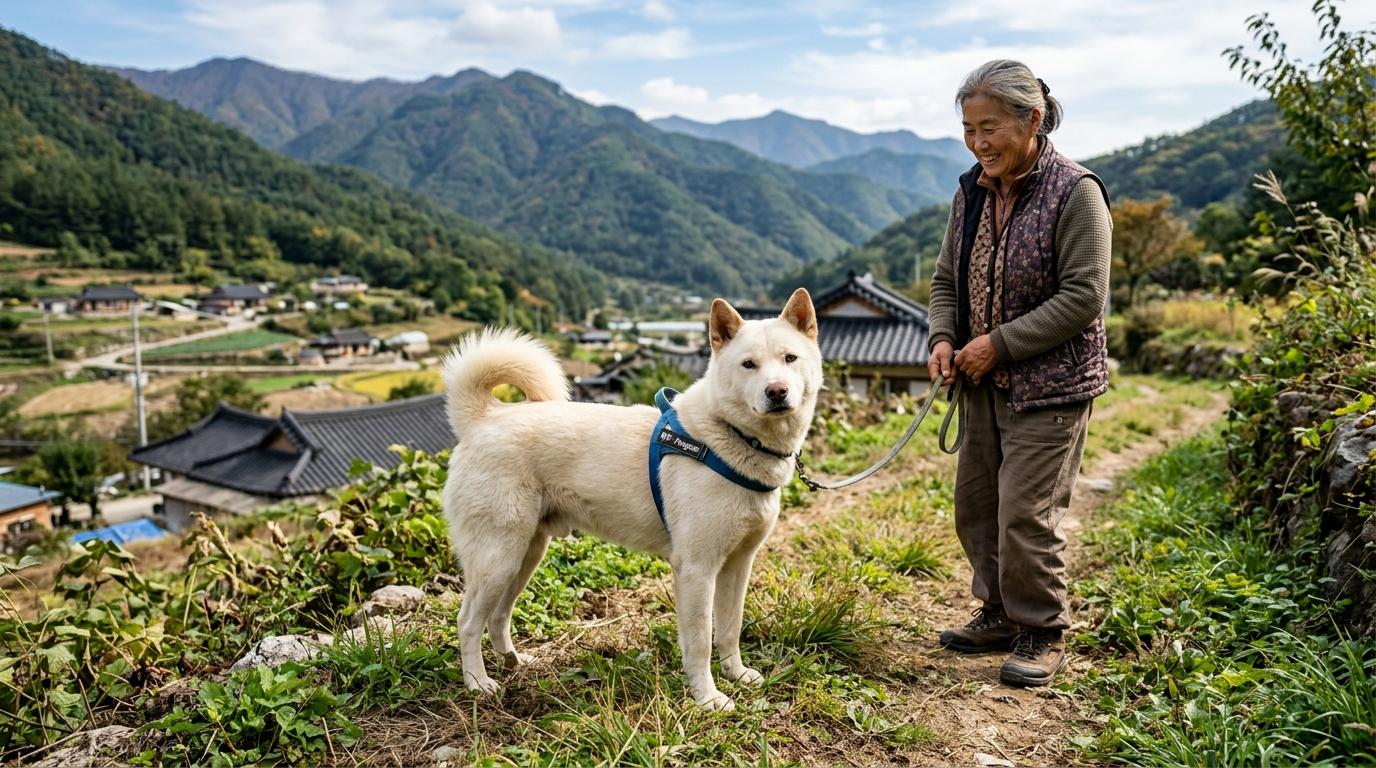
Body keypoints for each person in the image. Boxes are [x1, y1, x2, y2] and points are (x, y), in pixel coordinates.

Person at [926, 59, 1112, 687]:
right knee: (977, 507)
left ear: (1032, 119)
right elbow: (947, 279)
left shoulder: (1076, 192)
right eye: (969, 129)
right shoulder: (972, 190)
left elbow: (1083, 296)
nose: (979, 143)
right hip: (982, 383)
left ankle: (1042, 629)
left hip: (1051, 385)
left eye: (991, 128)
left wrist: (997, 345)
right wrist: (946, 338)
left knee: (1026, 513)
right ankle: (1000, 613)